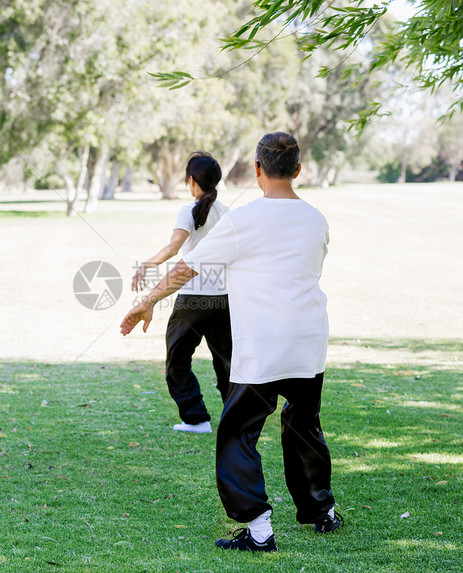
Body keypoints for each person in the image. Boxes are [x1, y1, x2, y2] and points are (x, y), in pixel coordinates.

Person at [121, 132, 341, 551]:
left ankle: (259, 531)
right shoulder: (316, 218)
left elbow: (186, 267)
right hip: (310, 341)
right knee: (304, 425)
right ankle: (322, 512)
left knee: (237, 433)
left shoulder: (245, 219)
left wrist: (147, 301)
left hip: (264, 346)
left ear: (257, 169)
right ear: (297, 170)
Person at [131, 152, 232, 434]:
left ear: (191, 181)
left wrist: (147, 264)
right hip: (225, 299)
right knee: (228, 362)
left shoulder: (188, 211)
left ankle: (196, 419)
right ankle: (235, 417)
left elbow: (174, 248)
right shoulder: (228, 213)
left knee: (177, 360)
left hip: (192, 299)